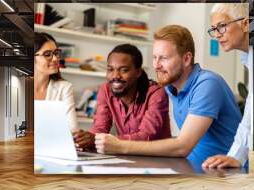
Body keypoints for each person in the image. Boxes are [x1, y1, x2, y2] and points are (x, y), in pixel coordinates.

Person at [93, 25, 241, 169]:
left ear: (186, 59)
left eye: (163, 58)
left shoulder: (207, 84)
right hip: (194, 168)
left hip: (224, 173)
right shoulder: (171, 89)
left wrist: (119, 146)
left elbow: (182, 146)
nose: (156, 65)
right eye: (155, 57)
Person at [73, 44, 171, 150]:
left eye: (123, 70)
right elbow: (100, 127)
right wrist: (85, 139)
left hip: (158, 159)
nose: (115, 76)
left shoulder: (156, 94)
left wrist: (97, 139)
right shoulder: (105, 90)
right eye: (110, 69)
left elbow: (146, 136)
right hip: (125, 156)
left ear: (138, 72)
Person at [202, 3, 250, 169]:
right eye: (214, 29)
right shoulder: (248, 58)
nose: (216, 35)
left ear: (245, 24)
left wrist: (236, 156)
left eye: (221, 26)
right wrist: (235, 156)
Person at [34, 32, 78, 132]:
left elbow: (73, 129)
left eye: (56, 53)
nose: (55, 59)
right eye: (47, 54)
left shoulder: (64, 88)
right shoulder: (16, 86)